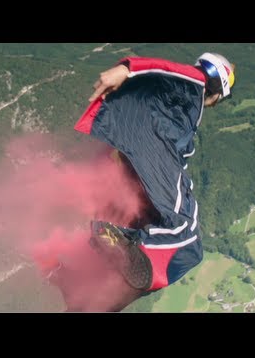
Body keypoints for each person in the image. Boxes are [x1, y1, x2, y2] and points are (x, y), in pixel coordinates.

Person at [71, 52, 235, 311]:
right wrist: (128, 68)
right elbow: (169, 69)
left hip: (135, 161)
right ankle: (124, 242)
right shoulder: (196, 84)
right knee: (187, 240)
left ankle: (97, 301)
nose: (214, 103)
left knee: (147, 241)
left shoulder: (177, 101)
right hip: (156, 157)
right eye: (219, 98)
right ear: (217, 90)